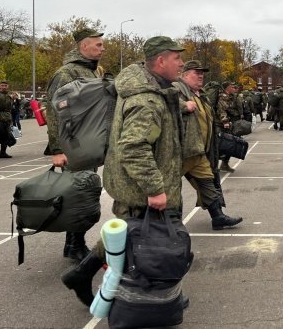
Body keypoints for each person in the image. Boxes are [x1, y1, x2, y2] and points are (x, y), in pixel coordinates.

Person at [61, 35, 189, 307]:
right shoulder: (146, 100)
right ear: (161, 60)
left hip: (133, 183)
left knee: (126, 233)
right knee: (146, 239)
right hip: (141, 188)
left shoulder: (151, 90)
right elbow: (133, 146)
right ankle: (146, 298)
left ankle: (82, 274)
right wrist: (154, 188)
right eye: (177, 58)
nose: (181, 63)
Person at [45, 27, 105, 262]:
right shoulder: (66, 73)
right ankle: (75, 245)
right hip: (73, 145)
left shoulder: (95, 71)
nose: (103, 48)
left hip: (88, 144)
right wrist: (57, 149)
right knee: (78, 195)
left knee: (84, 193)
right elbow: (53, 111)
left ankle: (73, 244)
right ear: (83, 47)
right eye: (98, 44)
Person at [176, 60, 243, 230]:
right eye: (196, 73)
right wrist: (184, 105)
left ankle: (218, 217)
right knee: (169, 190)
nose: (200, 76)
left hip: (198, 152)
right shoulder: (177, 89)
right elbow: (165, 103)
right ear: (184, 75)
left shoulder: (201, 95)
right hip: (179, 153)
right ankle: (168, 225)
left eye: (202, 73)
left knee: (208, 182)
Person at [216, 81, 241, 172]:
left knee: (229, 144)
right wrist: (225, 121)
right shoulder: (223, 97)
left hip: (227, 123)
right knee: (220, 145)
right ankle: (213, 166)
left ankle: (224, 164)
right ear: (227, 88)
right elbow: (221, 109)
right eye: (231, 87)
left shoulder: (230, 97)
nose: (233, 88)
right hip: (220, 124)